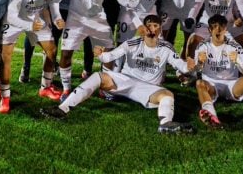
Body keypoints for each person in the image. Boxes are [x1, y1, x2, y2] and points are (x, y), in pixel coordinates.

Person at [40, 15, 196, 134]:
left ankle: (165, 125)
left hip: (148, 88)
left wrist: (191, 66)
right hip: (125, 81)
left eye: (156, 26)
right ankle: (62, 109)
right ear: (144, 28)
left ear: (160, 29)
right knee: (97, 76)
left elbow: (183, 67)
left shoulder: (166, 48)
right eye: (149, 26)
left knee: (168, 95)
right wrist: (101, 54)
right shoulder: (132, 43)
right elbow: (110, 57)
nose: (152, 29)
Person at [52, 0, 137, 101]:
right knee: (66, 54)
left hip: (98, 19)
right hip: (76, 20)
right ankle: (66, 89)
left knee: (108, 55)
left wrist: (127, 1)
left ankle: (105, 89)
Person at [0, 0, 66, 113]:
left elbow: (55, 10)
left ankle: (45, 87)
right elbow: (11, 13)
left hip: (34, 19)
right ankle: (5, 97)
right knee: (6, 56)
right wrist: (29, 26)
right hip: (13, 21)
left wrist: (58, 20)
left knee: (52, 50)